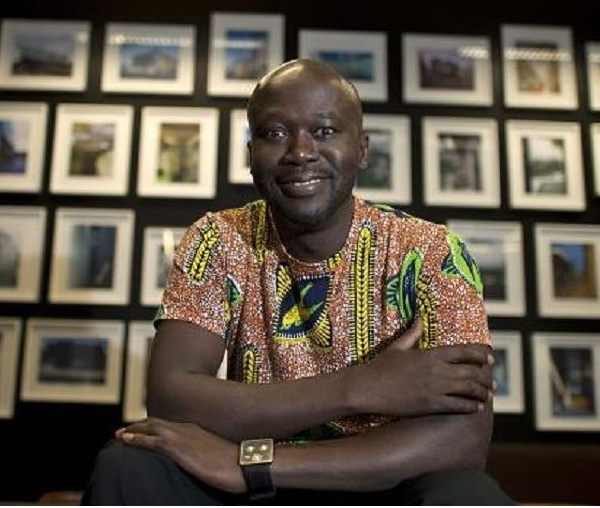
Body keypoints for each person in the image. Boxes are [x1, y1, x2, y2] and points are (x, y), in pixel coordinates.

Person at [82, 58, 514, 505]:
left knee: (466, 494)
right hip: (252, 492)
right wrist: (360, 386)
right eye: (274, 133)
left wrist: (250, 463)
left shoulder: (432, 252)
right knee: (130, 462)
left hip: (376, 483)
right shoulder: (218, 239)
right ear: (251, 154)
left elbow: (463, 441)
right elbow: (172, 400)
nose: (300, 151)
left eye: (325, 131)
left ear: (362, 150)